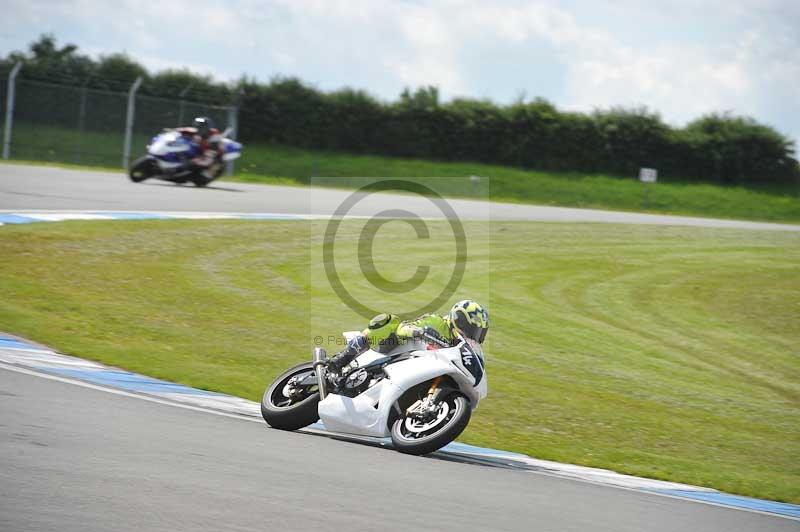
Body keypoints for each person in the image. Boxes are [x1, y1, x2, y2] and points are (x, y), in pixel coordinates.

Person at [327, 300, 489, 374]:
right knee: (389, 322)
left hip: (417, 370)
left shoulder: (462, 349)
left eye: (478, 333)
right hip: (393, 350)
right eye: (471, 329)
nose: (472, 336)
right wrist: (417, 332)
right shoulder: (437, 322)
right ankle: (342, 359)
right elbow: (407, 327)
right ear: (458, 319)